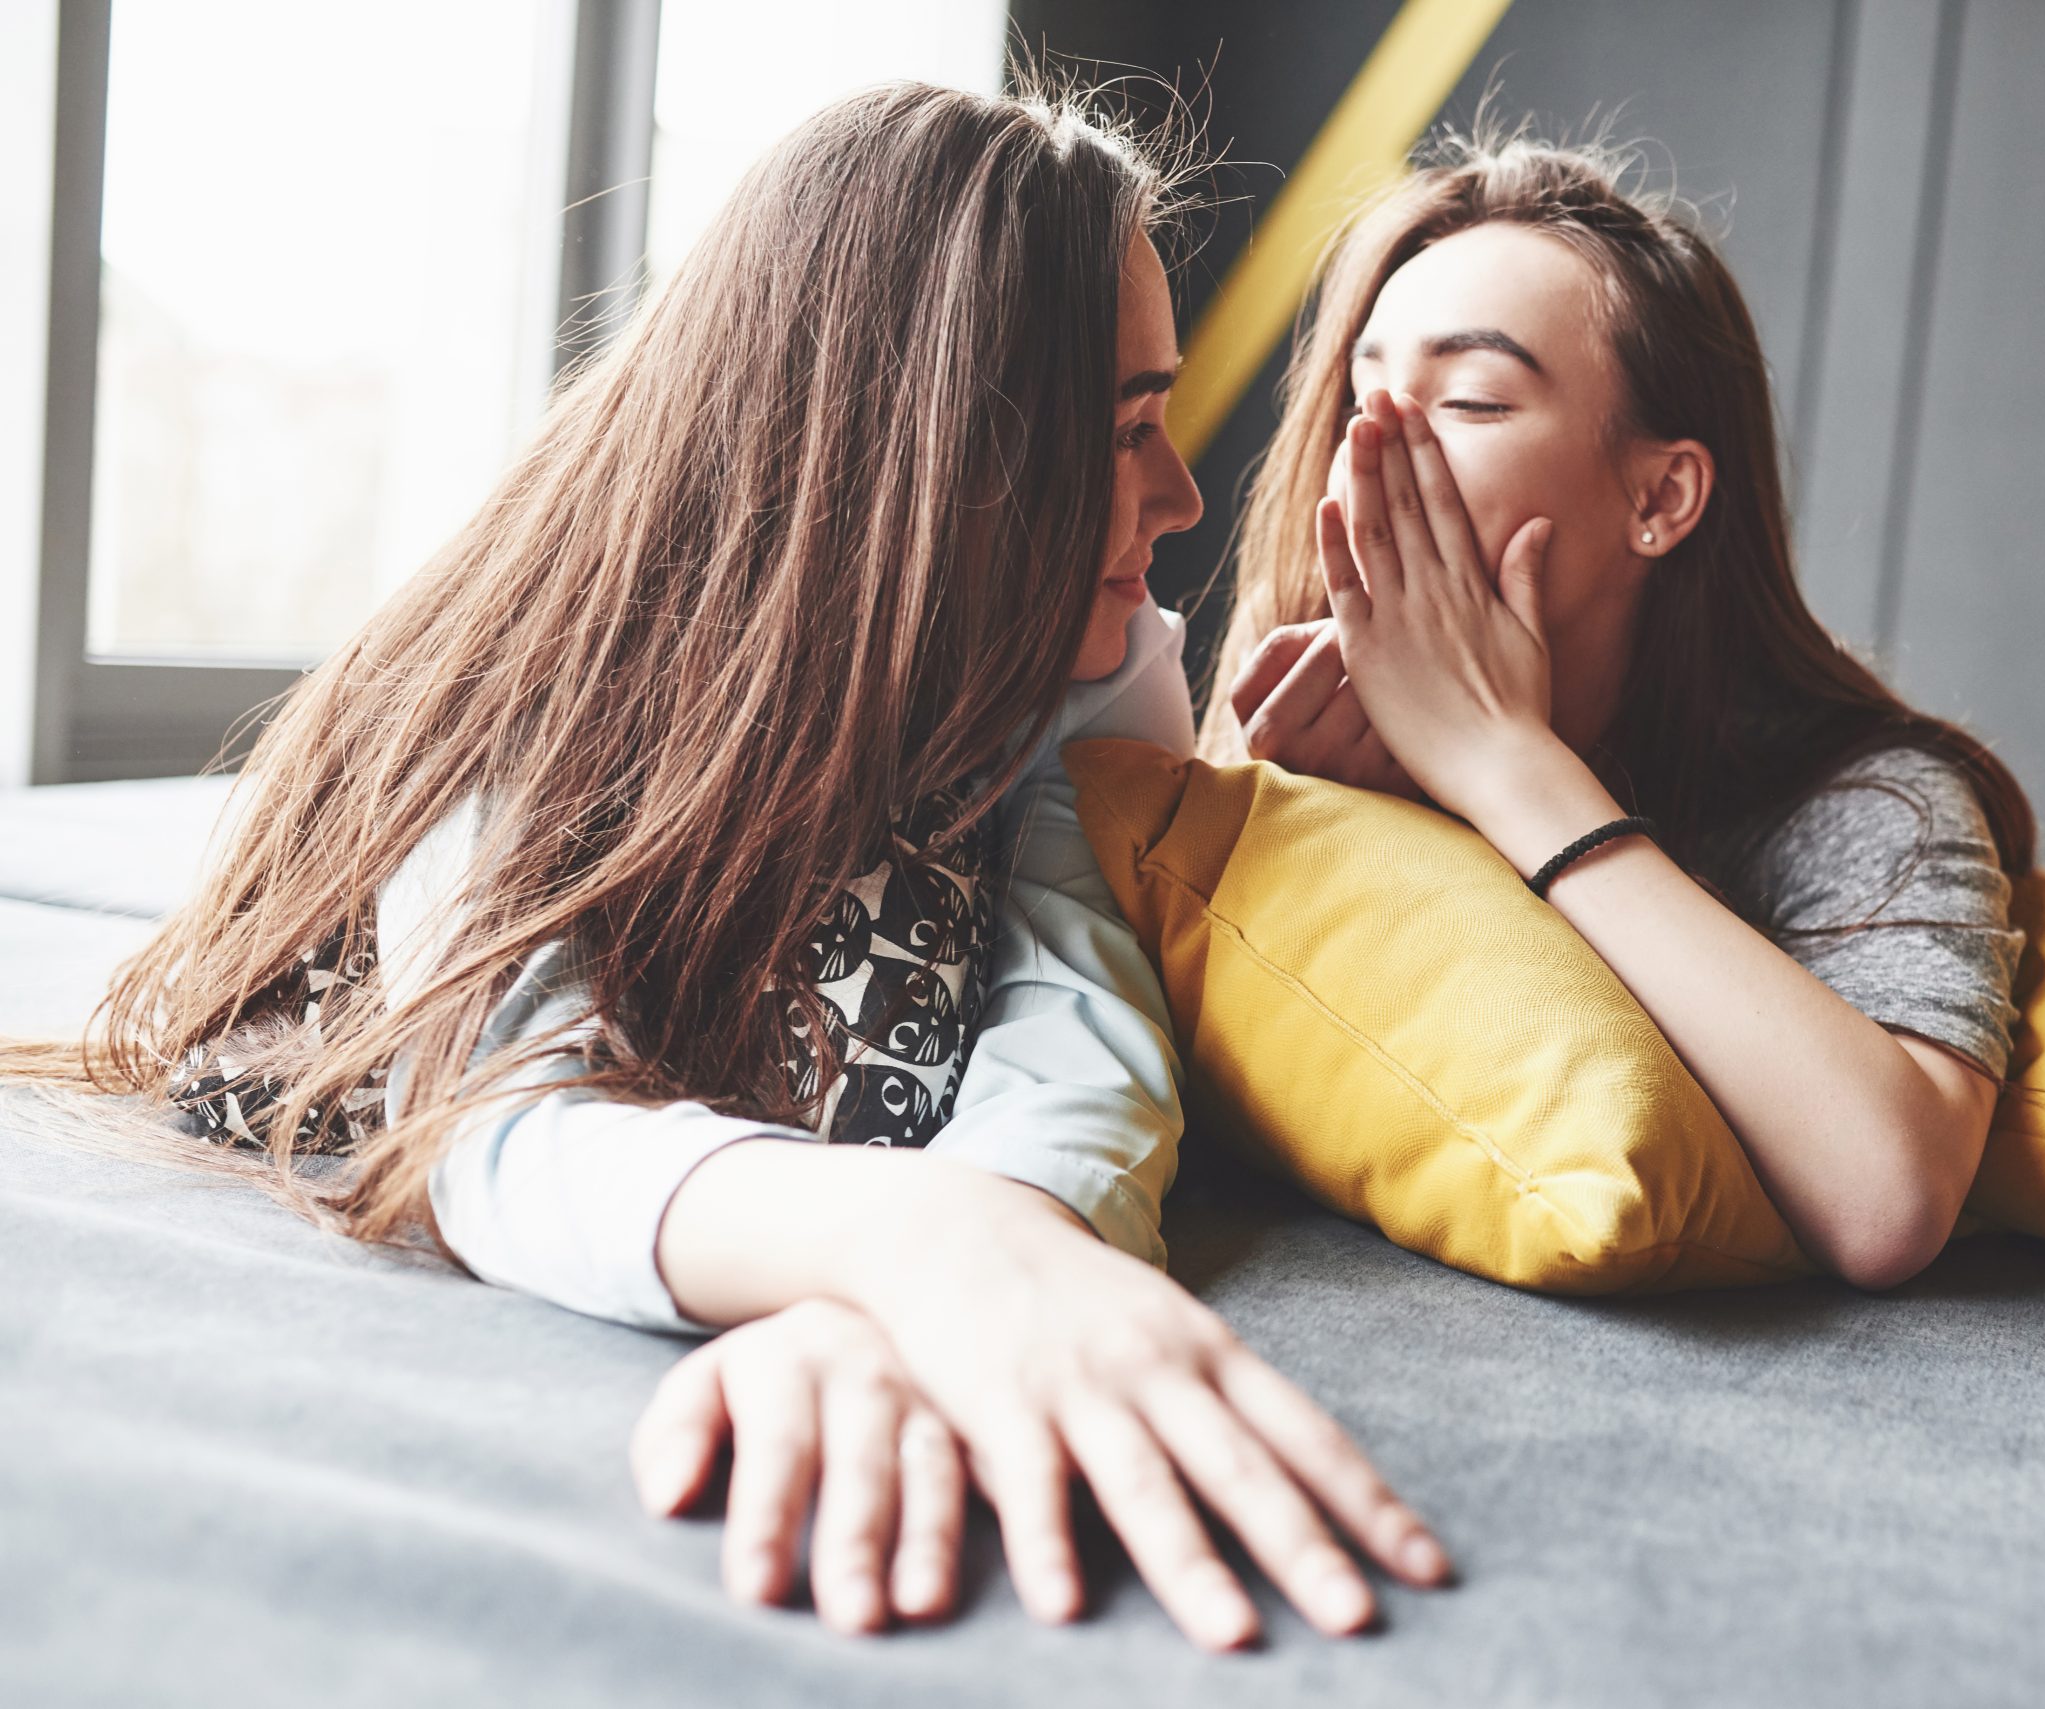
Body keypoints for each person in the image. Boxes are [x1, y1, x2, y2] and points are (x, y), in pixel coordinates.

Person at [4, 82, 1445, 1651]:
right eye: (1125, 431)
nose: (1181, 497)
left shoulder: (1085, 670)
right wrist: (898, 1238)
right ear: (933, 455)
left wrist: (981, 1247)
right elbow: (493, 1104)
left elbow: (1081, 1010)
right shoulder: (532, 670)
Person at [1207, 134, 2038, 1291]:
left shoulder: (1869, 799)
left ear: (1659, 495)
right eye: (1361, 396)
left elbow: (1886, 1195)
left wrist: (1506, 768)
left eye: (1471, 400)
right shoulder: (1294, 709)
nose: (1373, 450)